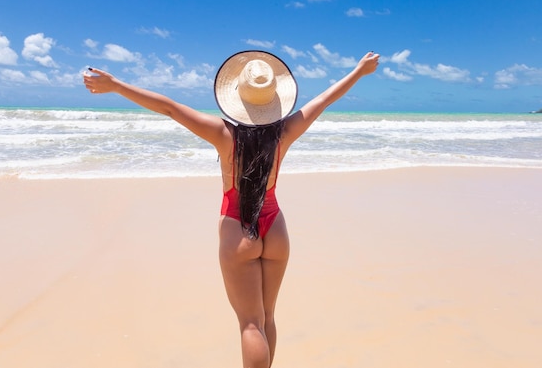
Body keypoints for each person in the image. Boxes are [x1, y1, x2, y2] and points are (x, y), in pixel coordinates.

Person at [83, 50, 379, 368]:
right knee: (266, 318)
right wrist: (359, 72)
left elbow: (169, 108)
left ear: (238, 99)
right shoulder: (285, 134)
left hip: (238, 230)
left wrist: (116, 85)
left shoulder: (223, 134)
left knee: (249, 324)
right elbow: (324, 100)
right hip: (275, 227)